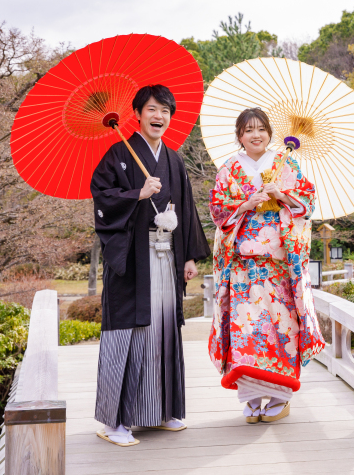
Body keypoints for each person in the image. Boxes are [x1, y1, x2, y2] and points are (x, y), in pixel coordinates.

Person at [91, 84, 210, 446]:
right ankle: (116, 422)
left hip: (167, 255)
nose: (159, 117)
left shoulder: (173, 160)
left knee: (162, 330)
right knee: (129, 332)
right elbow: (102, 198)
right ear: (138, 114)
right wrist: (136, 194)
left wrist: (188, 255)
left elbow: (187, 209)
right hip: (132, 260)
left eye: (165, 111)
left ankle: (160, 412)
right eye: (152, 110)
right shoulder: (116, 155)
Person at [208, 108, 325, 423]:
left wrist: (282, 195)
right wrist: (245, 204)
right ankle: (250, 397)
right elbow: (218, 210)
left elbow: (308, 204)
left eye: (261, 129)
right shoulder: (229, 169)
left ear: (270, 133)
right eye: (248, 130)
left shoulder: (284, 164)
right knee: (247, 330)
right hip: (244, 268)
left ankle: (279, 395)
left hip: (278, 267)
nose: (255, 135)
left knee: (280, 329)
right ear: (239, 136)